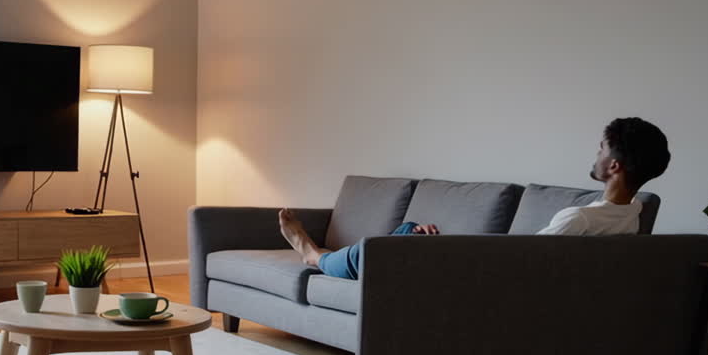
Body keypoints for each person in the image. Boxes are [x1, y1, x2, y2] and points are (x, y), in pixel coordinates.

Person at [277, 117, 671, 280]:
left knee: (373, 251)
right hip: (466, 261)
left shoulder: (578, 219)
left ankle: (314, 255)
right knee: (409, 232)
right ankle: (405, 238)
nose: (596, 155)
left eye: (601, 149)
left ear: (614, 165)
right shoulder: (633, 214)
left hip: (470, 275)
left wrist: (447, 253)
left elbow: (518, 268)